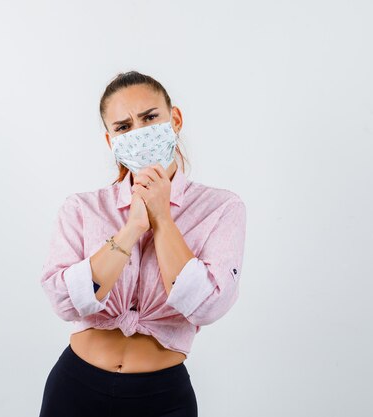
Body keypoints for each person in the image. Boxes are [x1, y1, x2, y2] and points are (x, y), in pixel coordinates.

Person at [38, 70, 247, 417]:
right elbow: (64, 302)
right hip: (75, 390)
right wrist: (133, 226)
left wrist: (162, 218)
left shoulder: (221, 209)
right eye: (123, 127)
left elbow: (209, 305)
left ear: (174, 119)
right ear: (111, 141)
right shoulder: (83, 208)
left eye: (150, 118)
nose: (139, 133)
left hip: (162, 398)